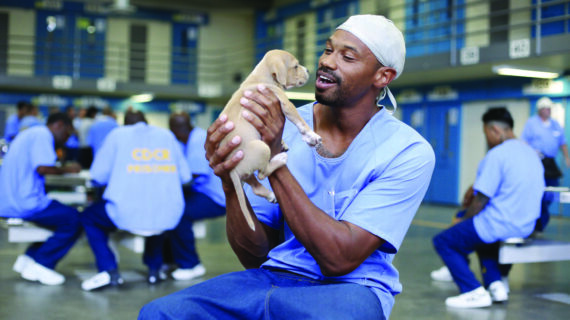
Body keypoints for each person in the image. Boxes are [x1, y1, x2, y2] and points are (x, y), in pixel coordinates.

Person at [140, 14, 435, 320]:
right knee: (160, 313)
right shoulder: (283, 123)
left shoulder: (407, 151)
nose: (328, 62)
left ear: (382, 77)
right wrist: (231, 180)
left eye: (347, 56)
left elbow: (339, 259)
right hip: (271, 277)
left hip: (350, 289)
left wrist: (276, 158)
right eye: (327, 49)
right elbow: (254, 255)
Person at [432, 107, 544, 308]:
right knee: (483, 238)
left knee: (444, 241)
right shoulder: (533, 154)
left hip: (500, 224)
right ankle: (495, 284)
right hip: (526, 225)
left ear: (494, 130)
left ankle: (472, 290)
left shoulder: (497, 155)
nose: (487, 139)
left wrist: (461, 220)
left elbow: (480, 201)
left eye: (486, 134)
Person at [80, 110, 191, 291]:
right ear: (147, 121)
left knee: (88, 218)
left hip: (124, 214)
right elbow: (185, 177)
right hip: (166, 216)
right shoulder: (167, 136)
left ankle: (109, 269)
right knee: (159, 209)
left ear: (125, 124)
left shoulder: (117, 135)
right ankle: (154, 270)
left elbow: (97, 176)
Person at [0, 112, 82, 285]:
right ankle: (43, 264)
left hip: (10, 200)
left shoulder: (30, 134)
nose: (66, 140)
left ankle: (29, 259)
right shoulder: (42, 135)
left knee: (59, 214)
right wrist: (70, 169)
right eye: (67, 133)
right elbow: (43, 168)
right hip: (24, 203)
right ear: (59, 125)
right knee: (75, 218)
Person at [164, 112, 226, 281]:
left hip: (216, 197)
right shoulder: (187, 139)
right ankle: (170, 260)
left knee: (180, 214)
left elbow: (193, 175)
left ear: (174, 130)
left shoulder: (198, 139)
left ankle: (191, 265)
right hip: (201, 191)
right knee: (168, 208)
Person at [521, 96, 570, 232]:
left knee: (551, 190)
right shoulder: (532, 123)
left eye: (549, 109)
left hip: (550, 163)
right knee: (538, 190)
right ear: (540, 110)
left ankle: (541, 214)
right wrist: (530, 153)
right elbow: (524, 142)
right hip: (537, 161)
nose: (548, 111)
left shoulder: (555, 124)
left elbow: (563, 142)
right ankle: (538, 219)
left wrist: (567, 158)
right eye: (545, 109)